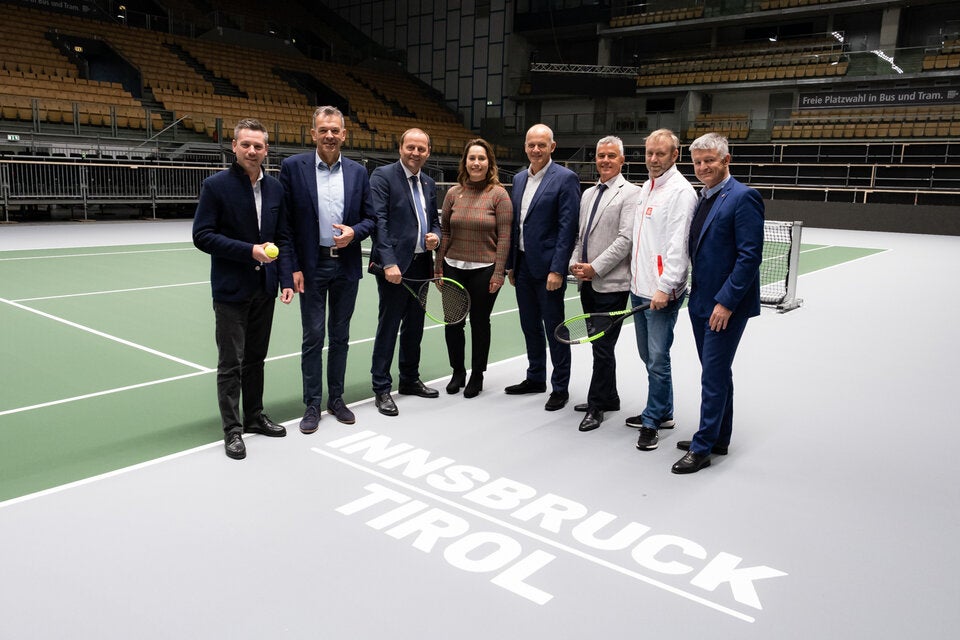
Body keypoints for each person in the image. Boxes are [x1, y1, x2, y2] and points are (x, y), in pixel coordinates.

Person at [193, 118, 294, 460]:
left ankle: (253, 416)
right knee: (230, 363)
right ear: (234, 147)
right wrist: (248, 250)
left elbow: (282, 238)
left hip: (264, 288)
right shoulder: (216, 186)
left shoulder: (276, 188)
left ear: (267, 150)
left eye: (259, 146)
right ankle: (232, 430)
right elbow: (202, 236)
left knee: (255, 359)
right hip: (231, 290)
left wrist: (284, 280)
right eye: (246, 145)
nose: (252, 151)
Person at [280, 106, 376, 432]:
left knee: (340, 336)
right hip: (312, 265)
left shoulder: (358, 172)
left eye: (335, 130)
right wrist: (291, 267)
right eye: (324, 130)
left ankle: (336, 399)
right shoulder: (293, 168)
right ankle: (312, 404)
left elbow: (370, 218)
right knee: (313, 337)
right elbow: (286, 225)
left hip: (346, 265)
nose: (330, 135)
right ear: (313, 134)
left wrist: (355, 233)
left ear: (344, 134)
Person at [673, 132, 764, 474]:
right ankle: (718, 437)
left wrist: (725, 303)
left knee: (712, 376)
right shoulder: (703, 198)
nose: (702, 167)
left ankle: (702, 448)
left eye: (709, 160)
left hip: (725, 307)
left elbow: (750, 257)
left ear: (726, 160)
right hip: (700, 302)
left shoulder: (743, 197)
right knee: (717, 372)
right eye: (697, 162)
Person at [628, 129, 697, 451]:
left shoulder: (681, 193)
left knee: (657, 357)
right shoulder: (646, 188)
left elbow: (678, 248)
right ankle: (664, 410)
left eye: (660, 154)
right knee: (648, 355)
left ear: (675, 155)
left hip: (661, 293)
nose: (653, 160)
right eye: (649, 153)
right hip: (638, 288)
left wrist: (665, 287)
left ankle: (653, 419)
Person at [504, 123, 581, 411]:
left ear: (552, 146)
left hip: (549, 270)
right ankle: (535, 377)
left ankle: (560, 387)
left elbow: (567, 228)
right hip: (522, 267)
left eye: (541, 144)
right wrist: (512, 264)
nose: (536, 149)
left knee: (555, 329)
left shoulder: (566, 179)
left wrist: (558, 269)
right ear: (525, 147)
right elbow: (516, 226)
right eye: (531, 144)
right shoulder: (519, 178)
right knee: (529, 327)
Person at [568, 135, 640, 432]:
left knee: (601, 345)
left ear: (622, 160)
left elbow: (625, 240)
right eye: (601, 155)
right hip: (587, 283)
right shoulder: (588, 194)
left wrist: (595, 268)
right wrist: (575, 264)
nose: (606, 160)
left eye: (612, 156)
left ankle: (597, 406)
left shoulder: (631, 193)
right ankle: (609, 397)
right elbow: (581, 237)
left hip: (612, 284)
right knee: (601, 345)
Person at [369, 128, 442, 416]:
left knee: (414, 327)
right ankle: (381, 387)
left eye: (421, 149)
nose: (415, 153)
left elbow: (433, 222)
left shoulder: (427, 182)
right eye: (410, 147)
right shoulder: (382, 177)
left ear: (428, 152)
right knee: (389, 327)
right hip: (395, 267)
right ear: (400, 148)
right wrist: (389, 262)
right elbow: (379, 222)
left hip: (422, 264)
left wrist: (435, 236)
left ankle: (409, 379)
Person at [435, 138, 512, 398]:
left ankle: (477, 375)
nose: (476, 163)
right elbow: (444, 231)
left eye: (481, 158)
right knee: (453, 323)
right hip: (453, 267)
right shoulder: (453, 193)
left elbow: (504, 237)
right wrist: (438, 267)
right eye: (471, 158)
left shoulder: (499, 195)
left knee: (480, 322)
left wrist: (499, 272)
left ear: (489, 162)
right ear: (465, 162)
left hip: (485, 270)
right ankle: (458, 371)